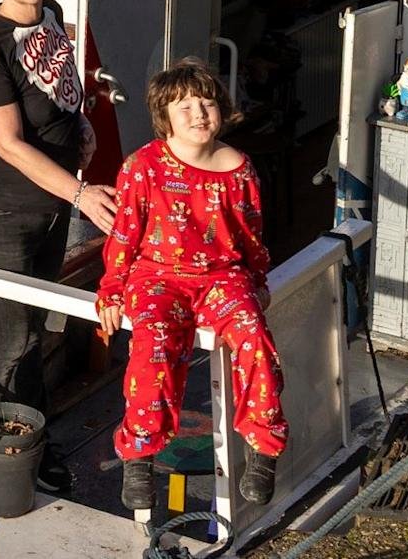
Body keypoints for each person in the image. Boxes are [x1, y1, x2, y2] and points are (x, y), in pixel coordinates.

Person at [0, 0, 117, 492]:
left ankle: (28, 436)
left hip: (49, 205)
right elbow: (9, 144)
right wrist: (81, 191)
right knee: (10, 334)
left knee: (32, 326)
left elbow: (60, 89)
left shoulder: (48, 17)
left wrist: (84, 129)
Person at [95, 59, 288, 508]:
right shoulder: (142, 166)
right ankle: (140, 455)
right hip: (157, 276)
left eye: (206, 103)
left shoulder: (240, 169)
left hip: (222, 277)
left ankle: (263, 449)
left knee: (255, 340)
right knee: (153, 348)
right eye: (185, 107)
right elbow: (124, 233)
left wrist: (257, 280)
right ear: (165, 118)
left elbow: (251, 235)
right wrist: (112, 288)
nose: (199, 113)